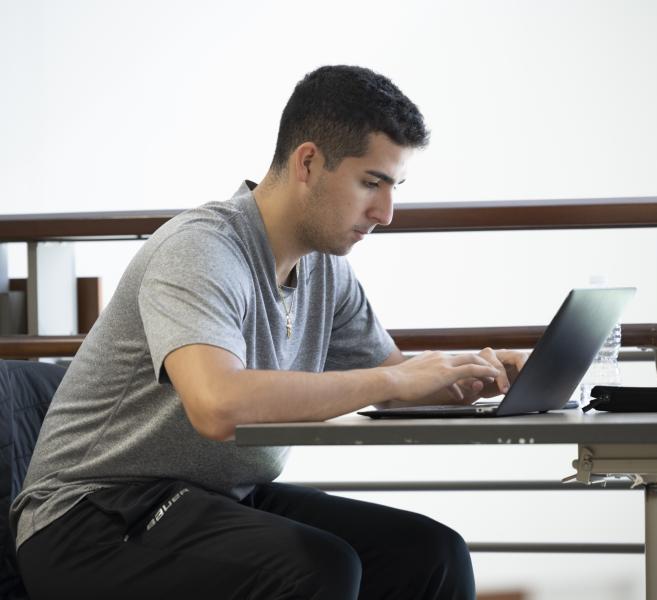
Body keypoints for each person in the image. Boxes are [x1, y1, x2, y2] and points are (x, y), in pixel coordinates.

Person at [11, 65, 528, 599]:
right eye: (371, 183)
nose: (387, 212)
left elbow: (395, 376)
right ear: (308, 162)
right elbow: (218, 405)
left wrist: (478, 373)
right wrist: (392, 383)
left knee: (431, 555)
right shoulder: (202, 248)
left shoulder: (325, 269)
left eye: (393, 187)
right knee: (317, 567)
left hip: (219, 497)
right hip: (91, 520)